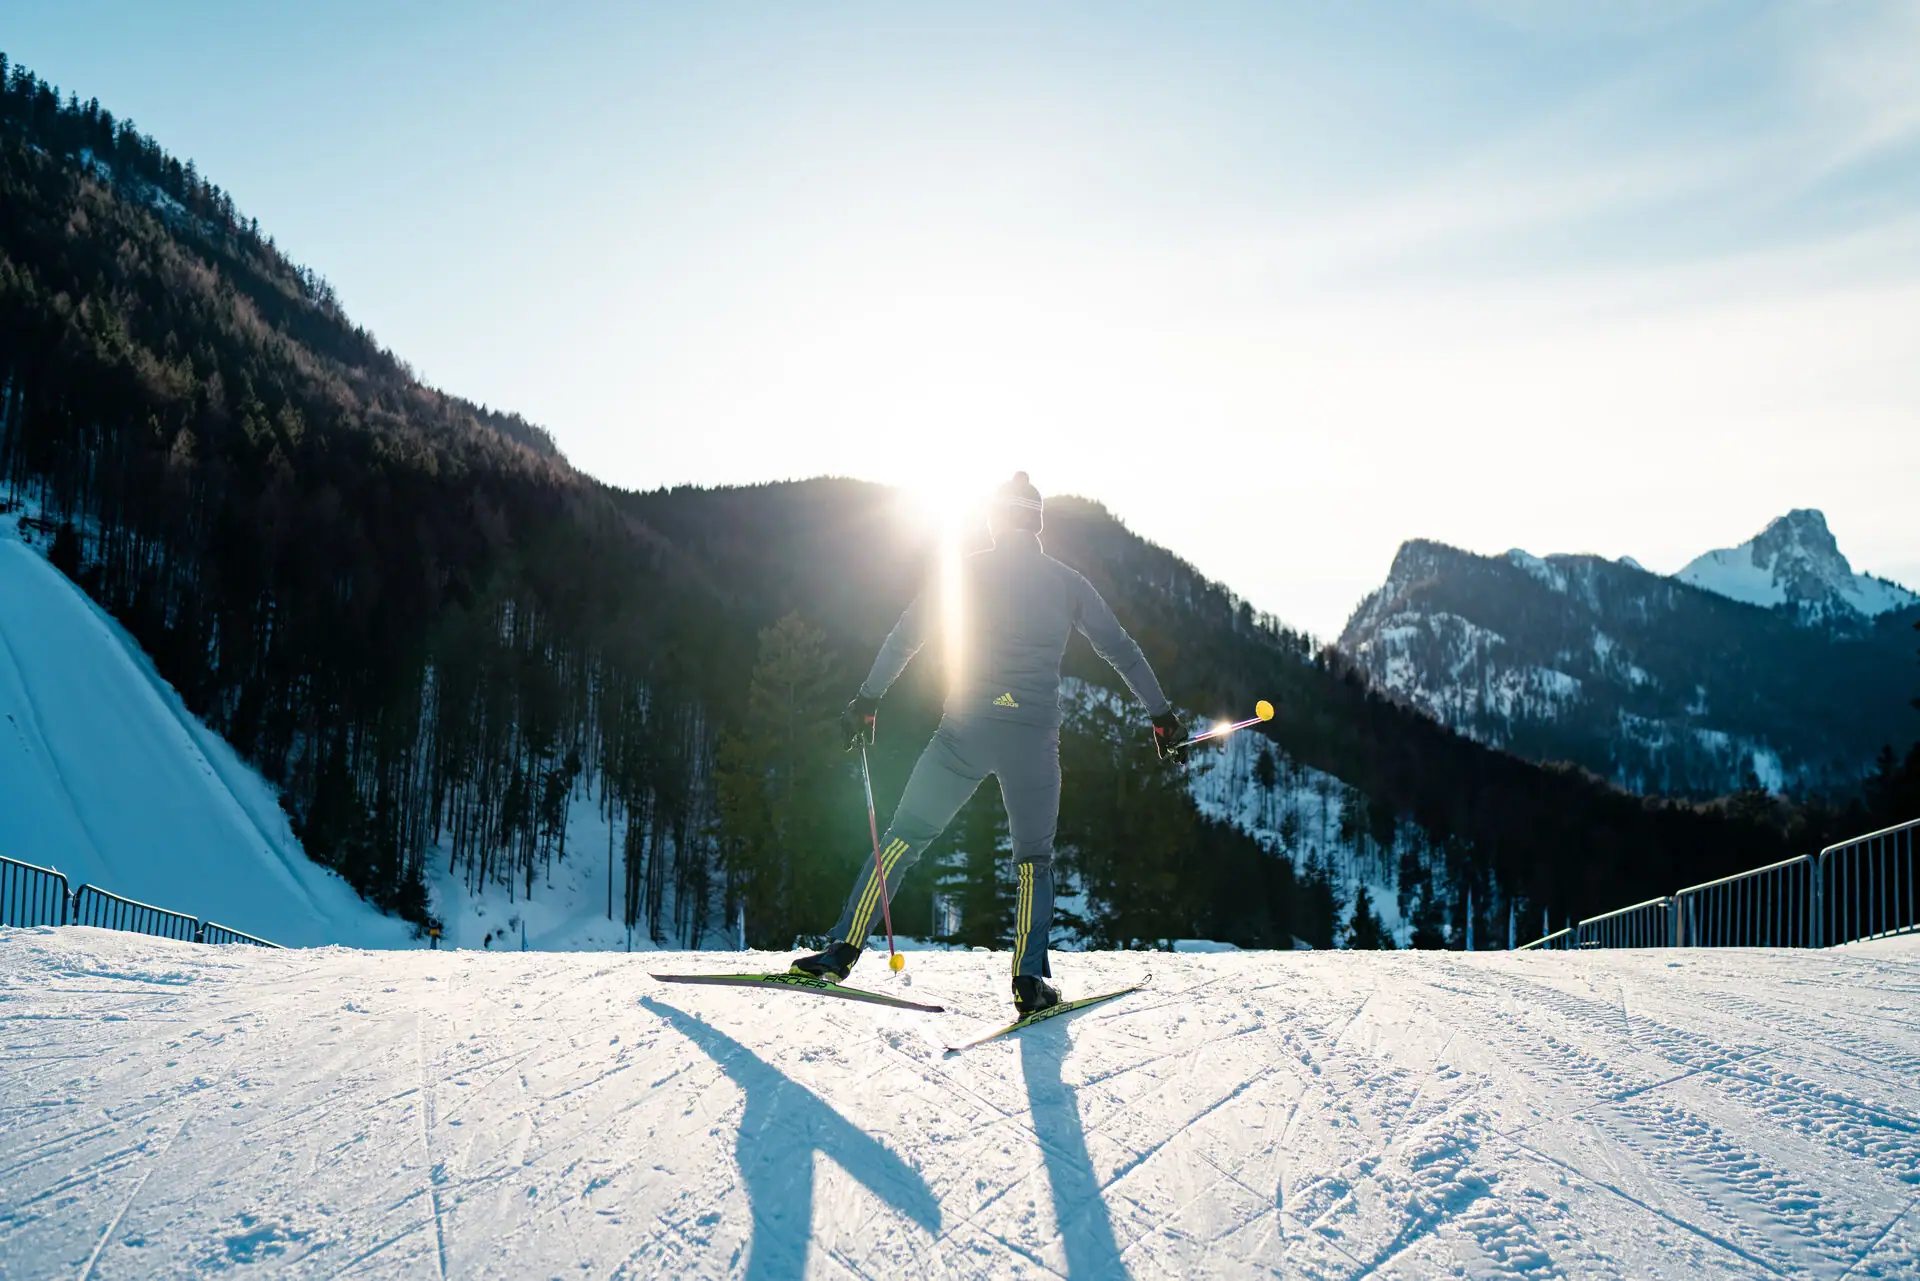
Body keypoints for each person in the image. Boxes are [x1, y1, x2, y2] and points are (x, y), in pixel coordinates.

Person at [791, 472, 1185, 1014]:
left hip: (964, 733)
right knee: (1033, 860)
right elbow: (1121, 649)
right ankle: (1028, 979)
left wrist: (868, 699)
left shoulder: (963, 573)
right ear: (1037, 524)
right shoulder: (1068, 582)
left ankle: (841, 950)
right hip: (1032, 742)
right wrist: (1161, 715)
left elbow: (906, 636)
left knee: (904, 837)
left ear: (995, 521)